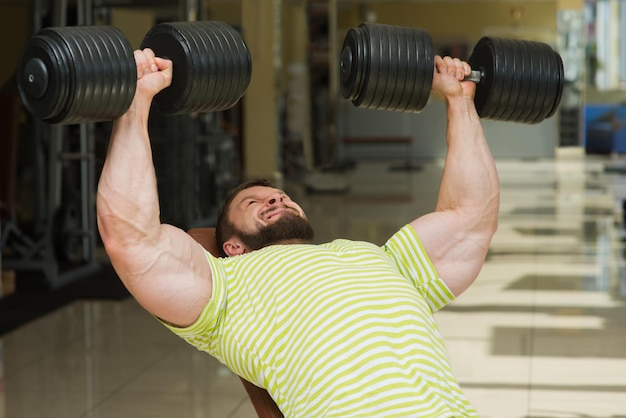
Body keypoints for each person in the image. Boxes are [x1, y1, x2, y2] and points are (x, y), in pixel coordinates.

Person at [96, 48, 499, 417]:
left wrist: (460, 101)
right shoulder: (223, 289)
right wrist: (136, 103)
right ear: (232, 246)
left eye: (281, 196)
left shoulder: (384, 259)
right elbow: (133, 238)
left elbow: (471, 216)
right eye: (253, 203)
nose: (276, 200)